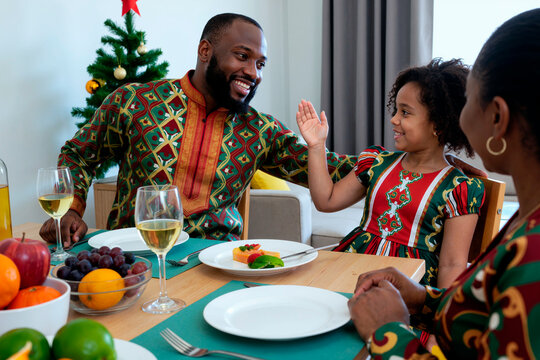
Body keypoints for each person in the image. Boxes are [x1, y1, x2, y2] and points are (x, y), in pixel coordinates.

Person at [39, 13, 357, 245]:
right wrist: (70, 208)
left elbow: (335, 170)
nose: (253, 73)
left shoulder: (261, 131)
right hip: (134, 260)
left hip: (217, 267)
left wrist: (399, 160)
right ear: (206, 51)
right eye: (242, 57)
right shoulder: (135, 102)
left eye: (260, 64)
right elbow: (78, 154)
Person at [347, 8, 540, 359]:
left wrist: (389, 332)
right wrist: (423, 297)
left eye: (469, 100)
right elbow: (486, 309)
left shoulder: (535, 254)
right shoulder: (528, 217)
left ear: (497, 117)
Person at [296, 58, 484, 289]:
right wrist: (316, 146)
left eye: (405, 113)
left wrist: (442, 316)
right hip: (350, 270)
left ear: (439, 124)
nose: (394, 119)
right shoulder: (376, 163)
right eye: (396, 110)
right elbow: (326, 201)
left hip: (405, 289)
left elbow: (452, 264)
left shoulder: (458, 189)